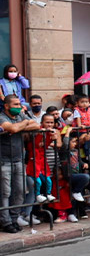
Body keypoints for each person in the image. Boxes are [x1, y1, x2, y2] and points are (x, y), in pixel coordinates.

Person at [0, 95, 40, 233]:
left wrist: (19, 126)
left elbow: (36, 124)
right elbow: (12, 128)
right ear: (6, 106)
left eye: (19, 104)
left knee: (20, 191)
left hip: (18, 160)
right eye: (16, 105)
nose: (19, 107)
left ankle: (14, 218)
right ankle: (5, 221)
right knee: (5, 192)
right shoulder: (1, 117)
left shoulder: (20, 117)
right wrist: (22, 125)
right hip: (4, 161)